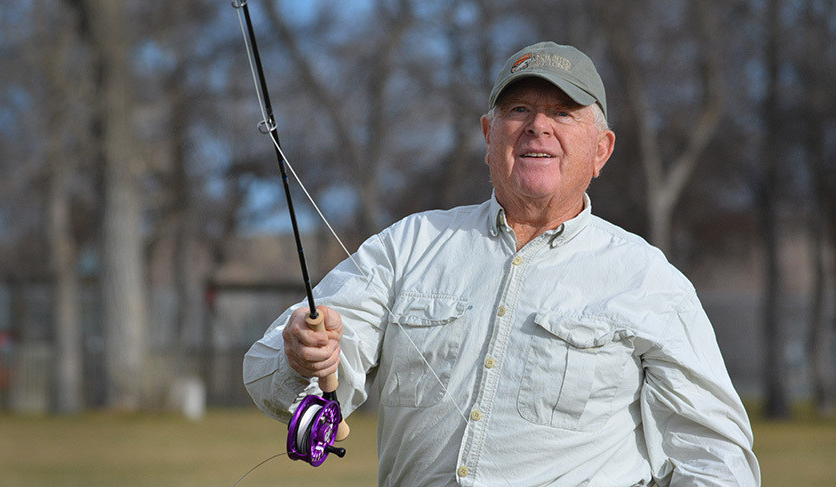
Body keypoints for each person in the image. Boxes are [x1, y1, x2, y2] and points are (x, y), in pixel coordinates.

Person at [244, 41, 760, 486]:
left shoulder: (649, 279)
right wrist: (302, 355)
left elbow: (717, 455)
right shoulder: (409, 245)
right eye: (518, 110)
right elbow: (271, 375)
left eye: (563, 113)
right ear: (489, 136)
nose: (538, 126)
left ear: (601, 150)